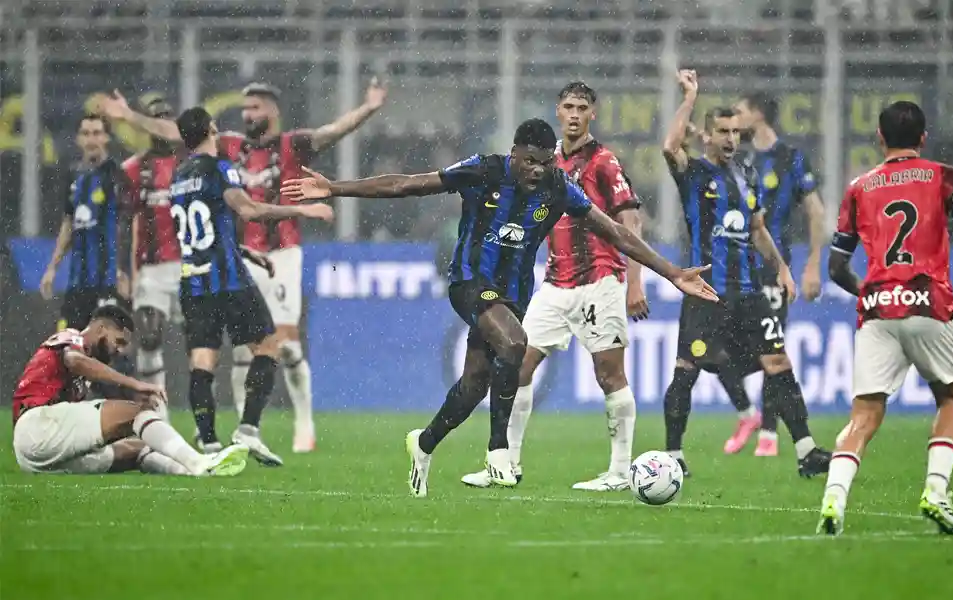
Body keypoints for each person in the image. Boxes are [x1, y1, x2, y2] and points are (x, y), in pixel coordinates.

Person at [281, 118, 718, 498]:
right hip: (470, 282)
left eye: (545, 161)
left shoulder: (559, 189)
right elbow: (407, 185)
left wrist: (671, 273)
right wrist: (335, 188)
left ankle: (425, 443)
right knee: (515, 344)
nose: (537, 169)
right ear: (514, 153)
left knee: (474, 384)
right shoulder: (484, 170)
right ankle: (499, 453)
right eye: (529, 160)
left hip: (513, 294)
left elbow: (616, 233)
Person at [100, 79, 387, 453]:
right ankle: (246, 428)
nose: (247, 114)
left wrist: (368, 108)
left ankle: (288, 425)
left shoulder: (288, 146)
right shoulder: (227, 151)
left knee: (273, 347)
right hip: (232, 261)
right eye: (245, 108)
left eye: (255, 107)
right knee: (249, 350)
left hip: (276, 253)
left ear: (273, 110)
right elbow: (180, 135)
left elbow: (331, 132)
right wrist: (132, 117)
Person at [460, 82, 647, 491]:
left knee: (609, 374)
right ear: (557, 111)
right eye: (568, 106)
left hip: (600, 280)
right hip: (555, 281)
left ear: (592, 114)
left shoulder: (604, 162)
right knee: (517, 364)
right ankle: (506, 463)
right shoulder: (545, 162)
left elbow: (629, 221)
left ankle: (618, 472)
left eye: (582, 107)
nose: (575, 114)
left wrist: (635, 282)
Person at [817, 101, 953, 536]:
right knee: (951, 398)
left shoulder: (860, 186)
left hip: (878, 309)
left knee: (864, 416)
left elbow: (836, 267)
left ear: (879, 138)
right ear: (923, 138)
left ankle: (833, 500)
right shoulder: (944, 175)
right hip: (928, 302)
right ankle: (935, 491)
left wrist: (874, 293)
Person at [661, 70, 831, 479]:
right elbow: (670, 146)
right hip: (707, 291)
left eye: (736, 131)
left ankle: (806, 450)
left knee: (778, 360)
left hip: (750, 290)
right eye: (722, 131)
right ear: (706, 136)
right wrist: (690, 98)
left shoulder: (747, 175)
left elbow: (757, 229)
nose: (731, 139)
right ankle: (674, 454)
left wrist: (784, 269)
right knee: (688, 368)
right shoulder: (695, 174)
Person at [170, 107, 334, 466]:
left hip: (193, 283)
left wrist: (245, 251)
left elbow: (202, 233)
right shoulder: (220, 168)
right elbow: (249, 211)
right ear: (212, 129)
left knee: (202, 360)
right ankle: (248, 430)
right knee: (270, 344)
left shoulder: (178, 177)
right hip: (228, 281)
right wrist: (304, 211)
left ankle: (209, 446)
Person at [11, 304, 248, 476]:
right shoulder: (72, 338)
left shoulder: (88, 368)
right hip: (36, 425)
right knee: (137, 414)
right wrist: (136, 385)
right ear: (101, 328)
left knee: (137, 450)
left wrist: (132, 406)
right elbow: (74, 360)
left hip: (38, 455)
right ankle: (198, 462)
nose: (120, 351)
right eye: (119, 341)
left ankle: (198, 472)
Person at [726, 92, 827, 457]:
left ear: (758, 114)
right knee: (717, 349)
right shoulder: (737, 157)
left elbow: (816, 212)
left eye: (739, 111)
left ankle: (769, 432)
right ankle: (749, 414)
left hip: (772, 267)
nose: (733, 119)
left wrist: (814, 262)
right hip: (733, 267)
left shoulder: (791, 158)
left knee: (772, 346)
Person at [40, 115, 128, 332]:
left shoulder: (117, 174)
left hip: (108, 280)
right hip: (78, 281)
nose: (91, 139)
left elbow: (124, 225)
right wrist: (52, 268)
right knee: (68, 344)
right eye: (86, 133)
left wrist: (122, 269)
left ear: (106, 137)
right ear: (78, 139)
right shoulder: (73, 175)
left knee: (108, 346)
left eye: (97, 133)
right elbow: (69, 223)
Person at [120, 94, 183, 395]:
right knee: (148, 336)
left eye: (167, 117)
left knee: (202, 342)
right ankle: (157, 417)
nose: (162, 124)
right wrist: (127, 270)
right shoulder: (133, 169)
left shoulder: (191, 163)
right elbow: (125, 223)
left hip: (191, 265)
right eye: (156, 117)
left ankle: (204, 424)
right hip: (153, 268)